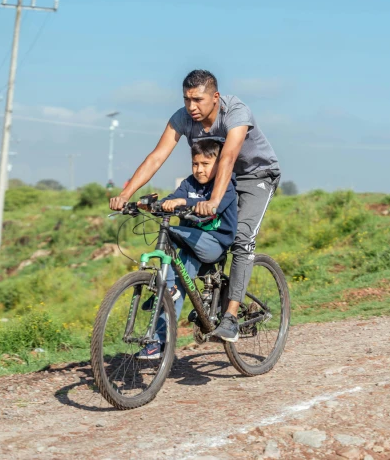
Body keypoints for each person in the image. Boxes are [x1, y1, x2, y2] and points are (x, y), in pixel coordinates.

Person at [111, 69, 280, 343]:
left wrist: (213, 200)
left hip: (254, 175)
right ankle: (197, 298)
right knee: (187, 231)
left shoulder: (236, 113)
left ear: (215, 97)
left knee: (242, 239)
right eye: (187, 99)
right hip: (213, 177)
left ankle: (231, 318)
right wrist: (126, 194)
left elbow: (228, 158)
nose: (191, 107)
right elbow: (157, 156)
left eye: (198, 100)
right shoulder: (183, 118)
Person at [136, 138, 238, 359]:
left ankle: (166, 288)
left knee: (172, 231)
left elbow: (213, 206)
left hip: (214, 244)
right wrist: (152, 205)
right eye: (195, 164)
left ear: (220, 164)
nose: (199, 169)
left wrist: (184, 203)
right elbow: (172, 199)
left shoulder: (225, 184)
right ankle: (158, 342)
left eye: (205, 164)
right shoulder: (189, 184)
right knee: (178, 286)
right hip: (191, 248)